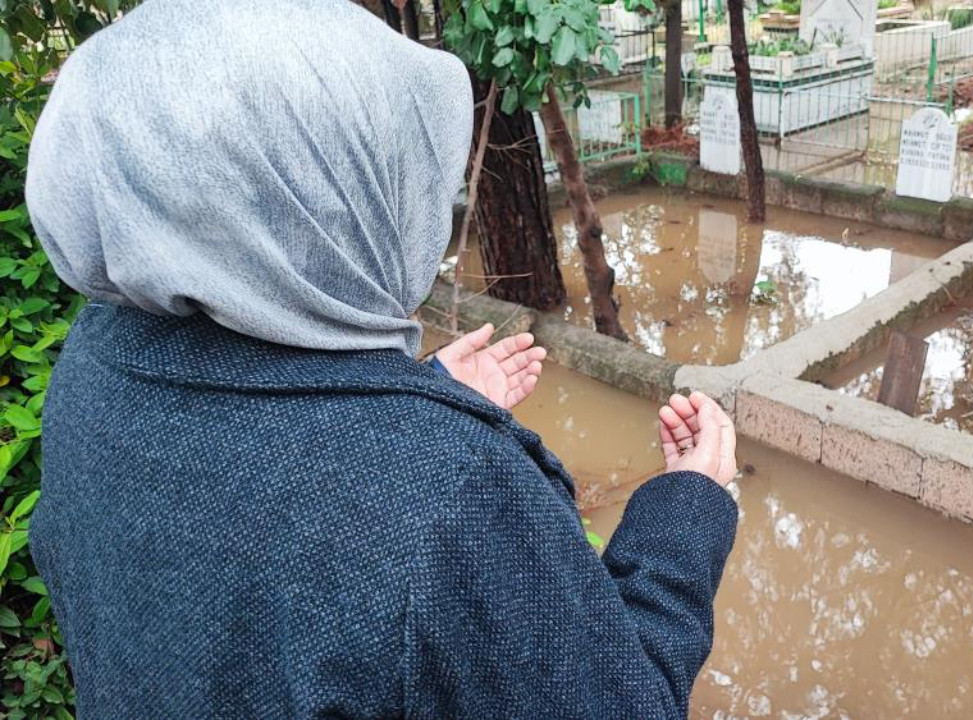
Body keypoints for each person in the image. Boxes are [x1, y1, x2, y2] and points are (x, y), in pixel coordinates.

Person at [23, 0, 740, 717]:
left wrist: (412, 404)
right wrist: (690, 503)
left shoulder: (97, 365)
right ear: (326, 201)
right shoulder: (451, 496)